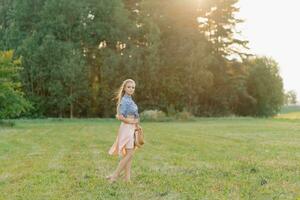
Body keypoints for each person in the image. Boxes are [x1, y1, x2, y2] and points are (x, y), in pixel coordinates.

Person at [106, 79, 140, 183]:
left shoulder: (130, 100)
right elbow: (120, 117)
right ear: (125, 88)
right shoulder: (124, 101)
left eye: (133, 87)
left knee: (129, 154)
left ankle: (127, 179)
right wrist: (131, 121)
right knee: (129, 154)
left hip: (132, 127)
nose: (131, 89)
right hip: (126, 128)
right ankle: (114, 176)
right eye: (129, 87)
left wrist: (136, 124)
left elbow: (135, 115)